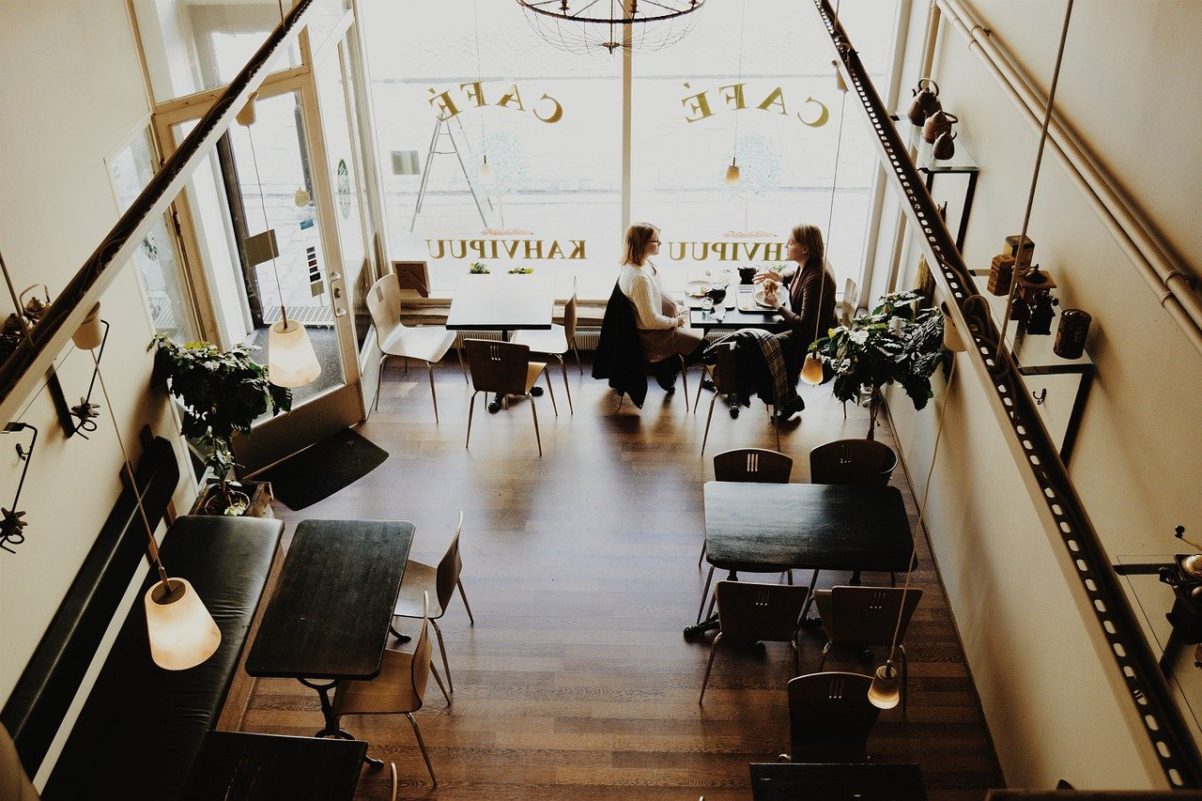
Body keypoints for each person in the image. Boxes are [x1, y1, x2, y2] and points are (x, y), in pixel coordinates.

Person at [753, 223, 838, 419]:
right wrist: (781, 276)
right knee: (763, 334)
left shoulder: (816, 278)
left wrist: (776, 304)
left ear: (805, 248)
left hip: (814, 337)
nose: (786, 245)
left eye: (790, 243)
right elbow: (797, 273)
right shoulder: (811, 263)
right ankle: (781, 389)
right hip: (806, 328)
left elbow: (804, 325)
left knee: (765, 348)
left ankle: (789, 399)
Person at [618, 222, 705, 391]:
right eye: (655, 241)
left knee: (701, 319)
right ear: (642, 244)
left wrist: (677, 307)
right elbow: (650, 321)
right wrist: (675, 321)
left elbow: (658, 291)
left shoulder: (645, 264)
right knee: (704, 348)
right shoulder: (639, 278)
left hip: (666, 324)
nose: (660, 244)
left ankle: (667, 367)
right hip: (656, 335)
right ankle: (665, 369)